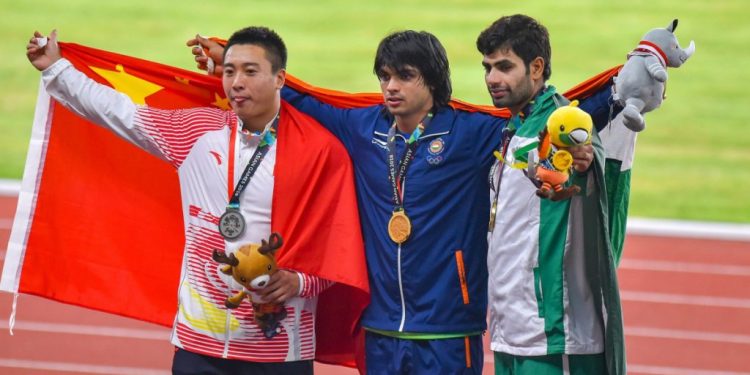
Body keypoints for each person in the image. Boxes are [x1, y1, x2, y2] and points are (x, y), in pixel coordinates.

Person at [189, 28, 616, 374]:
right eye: (384, 77)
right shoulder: (362, 127)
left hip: (449, 329)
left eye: (404, 77)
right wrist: (229, 63)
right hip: (379, 328)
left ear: (430, 80)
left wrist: (619, 91)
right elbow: (301, 100)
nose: (391, 88)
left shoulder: (472, 133)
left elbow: (548, 124)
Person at [26, 26, 368, 374]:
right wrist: (56, 69)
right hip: (199, 344)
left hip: (280, 349)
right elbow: (118, 112)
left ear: (280, 78)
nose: (236, 83)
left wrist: (301, 282)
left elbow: (340, 245)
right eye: (230, 71)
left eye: (250, 72)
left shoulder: (320, 152)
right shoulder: (194, 133)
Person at [478, 15, 625, 375]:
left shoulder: (558, 123)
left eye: (504, 67)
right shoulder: (513, 126)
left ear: (536, 67)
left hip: (554, 336)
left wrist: (582, 161)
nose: (492, 79)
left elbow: (574, 155)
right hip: (511, 327)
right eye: (487, 67)